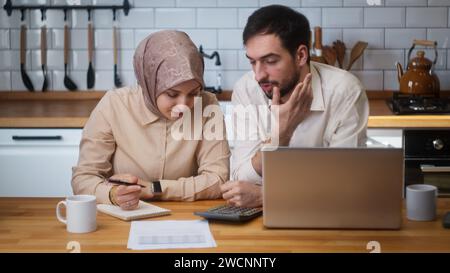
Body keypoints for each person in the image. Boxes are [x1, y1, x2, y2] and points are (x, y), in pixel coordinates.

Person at [221, 5, 369, 208]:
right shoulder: (247, 89)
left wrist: (268, 196)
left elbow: (347, 186)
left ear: (300, 55)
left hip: (328, 220)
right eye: (252, 62)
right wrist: (279, 135)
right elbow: (241, 181)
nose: (258, 75)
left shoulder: (345, 91)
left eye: (270, 61)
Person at [72, 30, 230, 210]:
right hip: (123, 217)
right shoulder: (114, 104)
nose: (184, 105)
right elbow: (83, 178)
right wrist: (113, 194)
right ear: (149, 83)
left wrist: (155, 189)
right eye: (172, 94)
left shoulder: (207, 105)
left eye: (193, 93)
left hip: (185, 216)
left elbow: (218, 179)